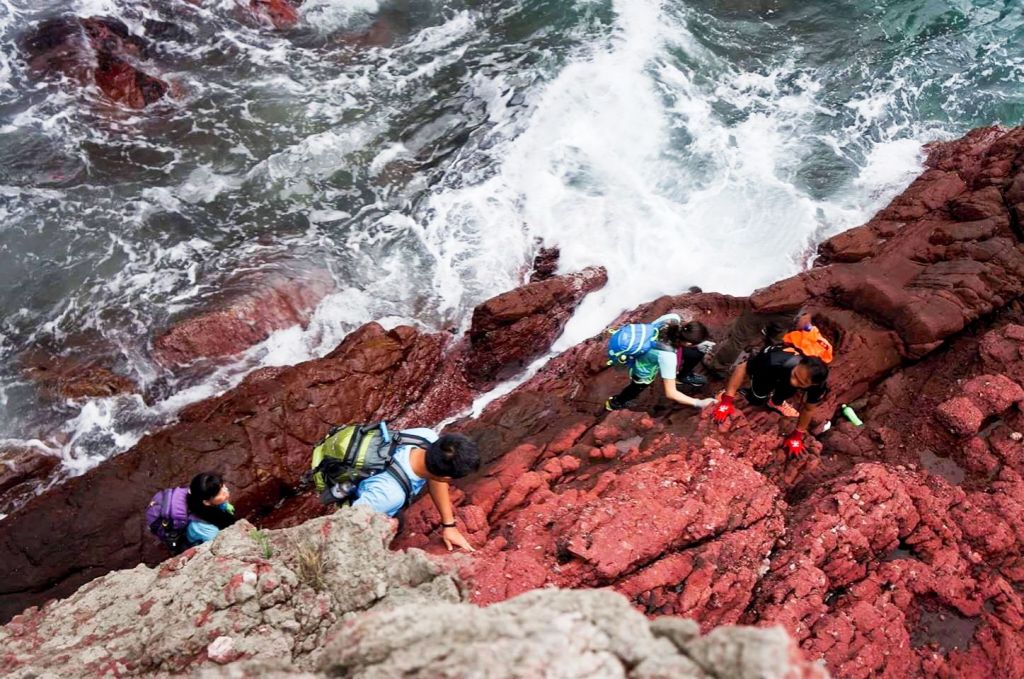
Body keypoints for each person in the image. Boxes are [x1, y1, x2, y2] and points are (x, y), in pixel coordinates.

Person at [351, 429, 480, 552]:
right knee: (395, 524)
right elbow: (347, 524)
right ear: (445, 478)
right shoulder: (391, 495)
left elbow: (436, 478)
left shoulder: (424, 437)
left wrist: (449, 526)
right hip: (359, 500)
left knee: (399, 522)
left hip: (365, 462)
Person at [712, 345, 830, 456]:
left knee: (788, 390)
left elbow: (809, 409)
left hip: (784, 371)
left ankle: (775, 402)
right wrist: (727, 400)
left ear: (813, 384)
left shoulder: (818, 385)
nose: (794, 382)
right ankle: (732, 393)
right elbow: (742, 367)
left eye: (801, 382)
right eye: (795, 375)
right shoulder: (772, 361)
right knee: (757, 396)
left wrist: (797, 435)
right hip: (770, 369)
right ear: (799, 363)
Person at [605, 314, 717, 411]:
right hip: (644, 367)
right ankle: (616, 403)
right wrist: (699, 403)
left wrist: (697, 345)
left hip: (650, 347)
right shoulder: (668, 356)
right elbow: (671, 393)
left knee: (695, 354)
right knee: (638, 386)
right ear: (688, 343)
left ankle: (683, 376)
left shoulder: (673, 318)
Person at [185, 472, 237, 545]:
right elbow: (217, 545)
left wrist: (226, 506)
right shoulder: (207, 529)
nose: (226, 491)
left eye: (223, 486)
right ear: (206, 502)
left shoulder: (204, 499)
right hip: (198, 541)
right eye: (219, 493)